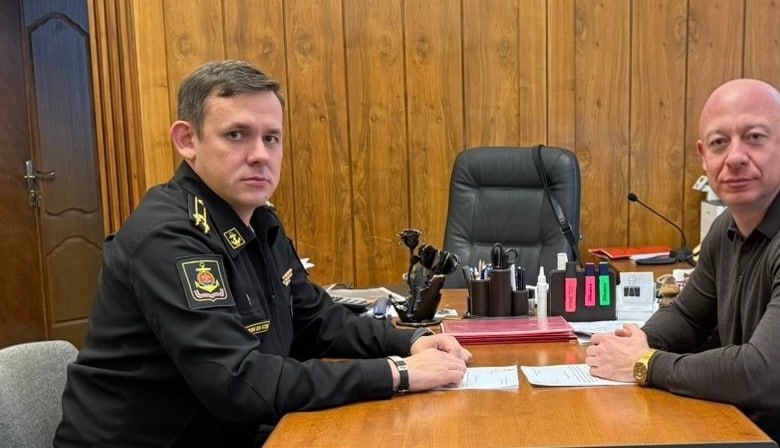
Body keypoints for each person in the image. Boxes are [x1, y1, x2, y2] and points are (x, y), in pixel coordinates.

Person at [55, 60, 471, 447]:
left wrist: (411, 341)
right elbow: (237, 382)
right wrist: (397, 373)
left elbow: (316, 321)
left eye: (271, 138)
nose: (260, 155)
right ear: (187, 140)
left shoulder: (258, 220)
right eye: (236, 135)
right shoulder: (169, 237)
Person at [586, 79, 780, 448]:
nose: (735, 156)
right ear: (703, 155)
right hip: (742, 431)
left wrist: (646, 363)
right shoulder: (729, 226)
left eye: (754, 137)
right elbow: (688, 317)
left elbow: (764, 375)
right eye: (719, 143)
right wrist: (638, 343)